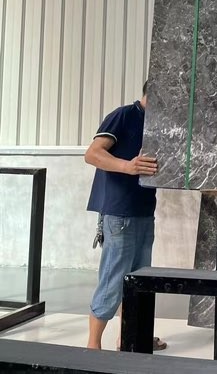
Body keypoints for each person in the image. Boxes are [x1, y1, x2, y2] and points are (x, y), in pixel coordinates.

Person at [84, 81, 165, 351]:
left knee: (138, 280)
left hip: (143, 210)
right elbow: (92, 153)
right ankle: (93, 346)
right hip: (119, 213)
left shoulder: (157, 125)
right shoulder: (124, 115)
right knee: (113, 280)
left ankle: (128, 338)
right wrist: (127, 166)